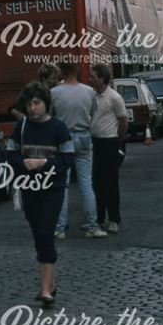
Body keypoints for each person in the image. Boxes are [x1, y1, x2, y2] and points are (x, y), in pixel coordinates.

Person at [6, 81, 74, 308]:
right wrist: (23, 164)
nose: (32, 108)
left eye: (36, 103)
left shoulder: (58, 127)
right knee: (38, 234)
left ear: (46, 103)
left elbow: (67, 159)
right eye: (28, 104)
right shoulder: (22, 127)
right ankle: (50, 282)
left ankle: (45, 290)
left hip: (53, 189)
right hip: (29, 189)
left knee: (45, 232)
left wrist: (43, 163)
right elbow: (10, 154)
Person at [51, 62, 107, 239]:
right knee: (86, 184)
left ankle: (59, 228)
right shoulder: (89, 92)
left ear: (61, 71)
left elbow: (51, 116)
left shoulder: (54, 92)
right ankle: (91, 225)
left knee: (62, 185)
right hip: (83, 137)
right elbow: (93, 113)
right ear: (77, 71)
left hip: (63, 139)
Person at [89, 64, 128, 234]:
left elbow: (123, 120)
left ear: (102, 78)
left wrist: (118, 138)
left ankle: (114, 219)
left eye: (93, 76)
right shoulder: (91, 96)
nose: (91, 79)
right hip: (94, 142)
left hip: (109, 142)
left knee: (110, 182)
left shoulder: (114, 98)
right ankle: (99, 217)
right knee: (96, 183)